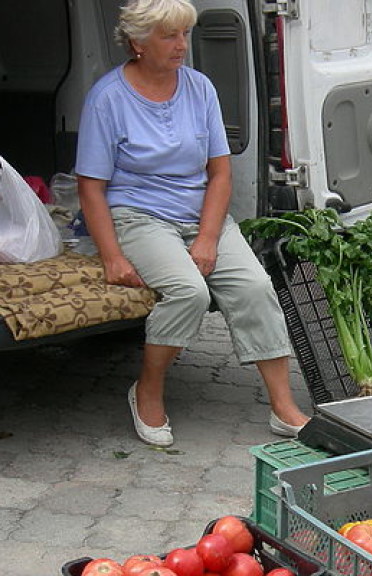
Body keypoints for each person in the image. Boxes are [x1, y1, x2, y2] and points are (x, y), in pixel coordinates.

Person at [75, 0, 310, 446]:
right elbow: (91, 187)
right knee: (189, 291)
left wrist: (207, 237)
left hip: (201, 214)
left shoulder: (200, 88)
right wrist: (111, 256)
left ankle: (282, 406)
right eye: (169, 36)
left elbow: (220, 173)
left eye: (184, 34)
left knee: (255, 288)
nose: (182, 45)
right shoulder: (107, 98)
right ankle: (147, 390)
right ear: (138, 43)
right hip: (140, 216)